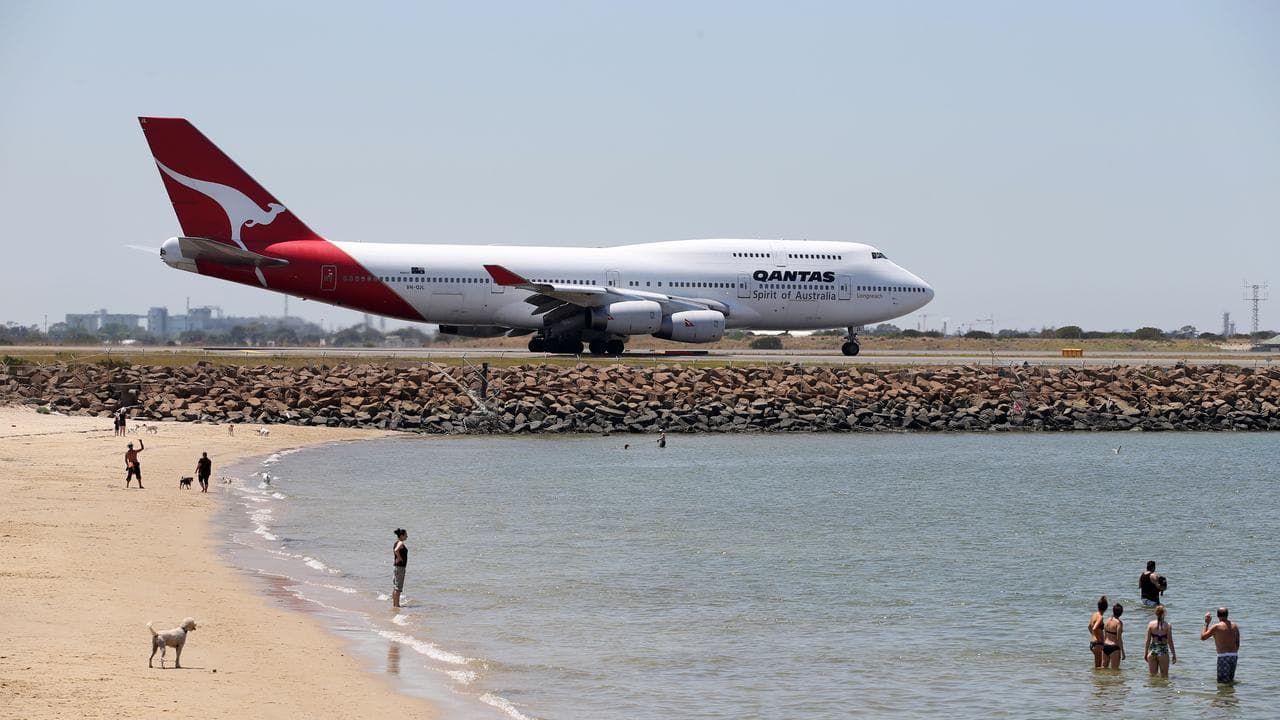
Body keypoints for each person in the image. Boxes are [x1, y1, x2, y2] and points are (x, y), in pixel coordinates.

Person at [1200, 607, 1241, 684]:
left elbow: (1203, 637)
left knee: (1222, 682)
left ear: (1218, 616)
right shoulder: (1235, 626)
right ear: (1227, 615)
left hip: (1223, 656)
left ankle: (1223, 696)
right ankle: (1230, 695)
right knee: (1230, 681)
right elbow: (1238, 643)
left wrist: (1206, 623)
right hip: (1234, 656)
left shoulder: (1217, 627)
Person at [1144, 604, 1176, 677]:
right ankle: (1161, 689)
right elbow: (1170, 641)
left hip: (1152, 651)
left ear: (1156, 613)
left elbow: (1147, 640)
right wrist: (1174, 654)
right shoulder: (1168, 625)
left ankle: (1153, 688)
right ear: (1164, 613)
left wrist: (1145, 653)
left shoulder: (1150, 624)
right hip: (1163, 651)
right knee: (1164, 677)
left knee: (1152, 677)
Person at [1101, 603, 1125, 669]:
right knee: (1115, 670)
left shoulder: (1107, 620)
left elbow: (1105, 635)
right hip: (1114, 647)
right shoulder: (1119, 623)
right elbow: (1118, 638)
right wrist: (1123, 652)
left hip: (1105, 646)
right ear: (1121, 613)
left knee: (1104, 668)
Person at [1088, 595, 1109, 668]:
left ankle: (1096, 679)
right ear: (1106, 608)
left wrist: (1093, 636)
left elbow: (1089, 627)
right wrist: (1098, 639)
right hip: (1098, 644)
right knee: (1099, 667)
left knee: (1097, 667)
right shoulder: (1100, 617)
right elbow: (1094, 628)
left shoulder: (1094, 615)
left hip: (1093, 643)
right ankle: (1098, 679)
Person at [391, 528, 408, 609]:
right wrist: (400, 558)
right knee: (398, 588)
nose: (407, 536)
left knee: (395, 587)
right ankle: (397, 605)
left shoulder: (396, 542)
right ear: (401, 535)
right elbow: (396, 550)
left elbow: (395, 550)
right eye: (406, 535)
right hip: (400, 568)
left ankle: (395, 604)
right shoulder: (400, 543)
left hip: (396, 567)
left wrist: (398, 557)